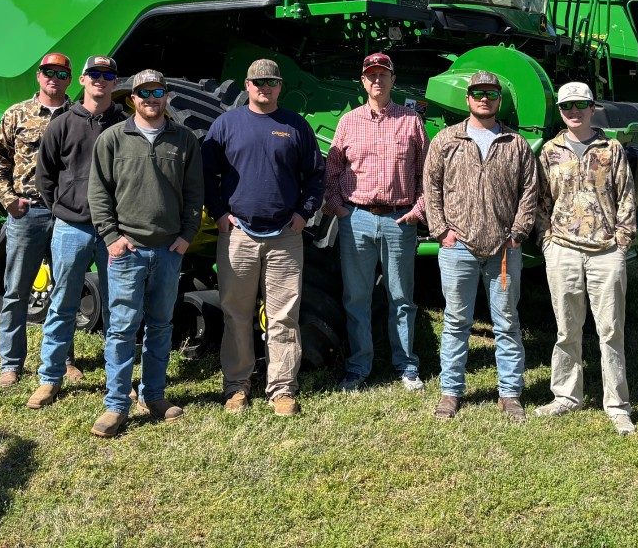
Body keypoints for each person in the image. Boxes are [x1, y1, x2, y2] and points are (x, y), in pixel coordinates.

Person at [202, 57, 324, 417]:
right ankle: (237, 386)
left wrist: (303, 214)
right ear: (247, 85)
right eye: (257, 82)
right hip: (238, 235)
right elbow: (207, 175)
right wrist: (221, 215)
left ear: (280, 86)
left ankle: (282, 389)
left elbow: (315, 176)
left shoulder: (296, 126)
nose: (264, 87)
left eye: (270, 82)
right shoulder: (226, 124)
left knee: (284, 315)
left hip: (285, 235)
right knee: (236, 313)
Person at [87, 70, 204, 438]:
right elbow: (98, 194)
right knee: (121, 328)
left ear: (166, 96)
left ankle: (153, 395)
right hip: (128, 250)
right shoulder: (112, 139)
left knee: (161, 326)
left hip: (168, 250)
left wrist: (186, 236)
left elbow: (194, 192)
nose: (151, 97)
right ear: (132, 98)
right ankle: (116, 405)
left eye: (157, 91)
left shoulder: (183, 140)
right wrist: (111, 238)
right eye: (143, 92)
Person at [423, 70, 538, 422]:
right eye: (477, 92)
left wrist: (518, 233)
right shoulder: (446, 140)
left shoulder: (515, 143)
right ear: (468, 98)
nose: (484, 98)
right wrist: (441, 230)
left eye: (490, 93)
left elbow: (529, 191)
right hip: (458, 247)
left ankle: (510, 393)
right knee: (457, 321)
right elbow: (431, 187)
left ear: (499, 99)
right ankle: (450, 392)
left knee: (506, 322)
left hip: (504, 250)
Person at [534, 81, 637, 435]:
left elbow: (626, 197)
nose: (574, 112)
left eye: (580, 105)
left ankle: (617, 404)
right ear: (560, 112)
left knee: (610, 330)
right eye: (567, 107)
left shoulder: (612, 149)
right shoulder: (549, 151)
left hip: (606, 251)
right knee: (567, 328)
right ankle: (566, 395)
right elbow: (541, 201)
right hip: (562, 249)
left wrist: (622, 242)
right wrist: (547, 241)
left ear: (593, 107)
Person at [323, 52, 427, 392]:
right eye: (371, 75)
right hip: (358, 219)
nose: (377, 80)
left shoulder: (411, 121)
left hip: (399, 219)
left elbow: (426, 173)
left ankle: (406, 365)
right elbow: (333, 172)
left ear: (393, 80)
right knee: (357, 298)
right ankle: (359, 366)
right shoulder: (348, 122)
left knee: (401, 297)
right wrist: (340, 210)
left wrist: (419, 209)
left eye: (384, 74)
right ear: (363, 81)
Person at [26, 55, 125, 409]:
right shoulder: (62, 124)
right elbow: (45, 176)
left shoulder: (125, 126)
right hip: (71, 228)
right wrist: (62, 210)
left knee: (119, 309)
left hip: (114, 232)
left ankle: (120, 380)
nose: (101, 79)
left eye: (108, 75)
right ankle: (49, 379)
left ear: (115, 82)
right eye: (94, 74)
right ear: (82, 80)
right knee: (62, 304)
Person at [0, 52, 73, 388]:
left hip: (66, 214)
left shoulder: (78, 115)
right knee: (17, 289)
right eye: (48, 72)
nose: (54, 78)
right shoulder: (18, 114)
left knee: (64, 290)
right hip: (28, 212)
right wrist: (9, 201)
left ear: (69, 78)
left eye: (61, 74)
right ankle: (11, 363)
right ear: (38, 76)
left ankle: (63, 360)